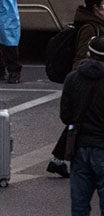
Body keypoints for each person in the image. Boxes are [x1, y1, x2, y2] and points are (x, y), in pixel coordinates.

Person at [47, 0, 104, 178]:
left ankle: (57, 160)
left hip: (90, 81)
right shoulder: (90, 27)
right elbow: (81, 57)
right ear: (97, 7)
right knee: (79, 122)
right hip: (87, 82)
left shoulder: (96, 23)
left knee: (78, 122)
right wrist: (80, 81)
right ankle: (62, 159)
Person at [60, 35, 104, 215]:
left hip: (79, 147)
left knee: (79, 204)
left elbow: (65, 116)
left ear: (89, 53)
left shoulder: (73, 78)